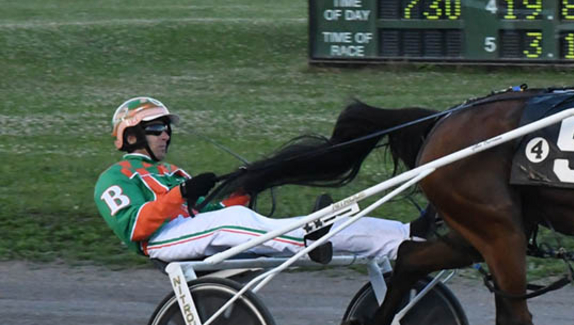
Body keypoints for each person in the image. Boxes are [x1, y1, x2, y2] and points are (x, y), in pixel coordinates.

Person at [94, 97, 430, 263]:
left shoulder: (173, 173)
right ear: (132, 135)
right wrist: (182, 194)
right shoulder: (115, 177)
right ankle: (310, 241)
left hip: (200, 230)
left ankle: (404, 236)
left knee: (320, 221)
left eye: (167, 127)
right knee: (236, 221)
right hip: (163, 241)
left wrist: (243, 189)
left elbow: (211, 211)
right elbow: (134, 226)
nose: (165, 134)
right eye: (155, 127)